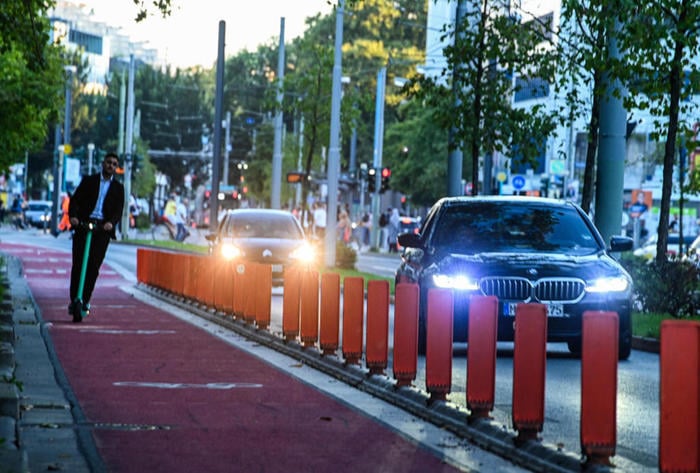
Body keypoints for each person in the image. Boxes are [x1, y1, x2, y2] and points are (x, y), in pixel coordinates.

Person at [68, 152, 125, 323]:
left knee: (93, 266)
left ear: (116, 167)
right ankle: (74, 300)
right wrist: (74, 216)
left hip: (102, 229)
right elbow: (75, 200)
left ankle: (85, 300)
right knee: (78, 264)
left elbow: (118, 211)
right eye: (109, 162)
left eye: (114, 164)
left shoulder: (118, 188)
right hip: (84, 225)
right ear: (103, 163)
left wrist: (111, 223)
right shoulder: (89, 181)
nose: (111, 166)